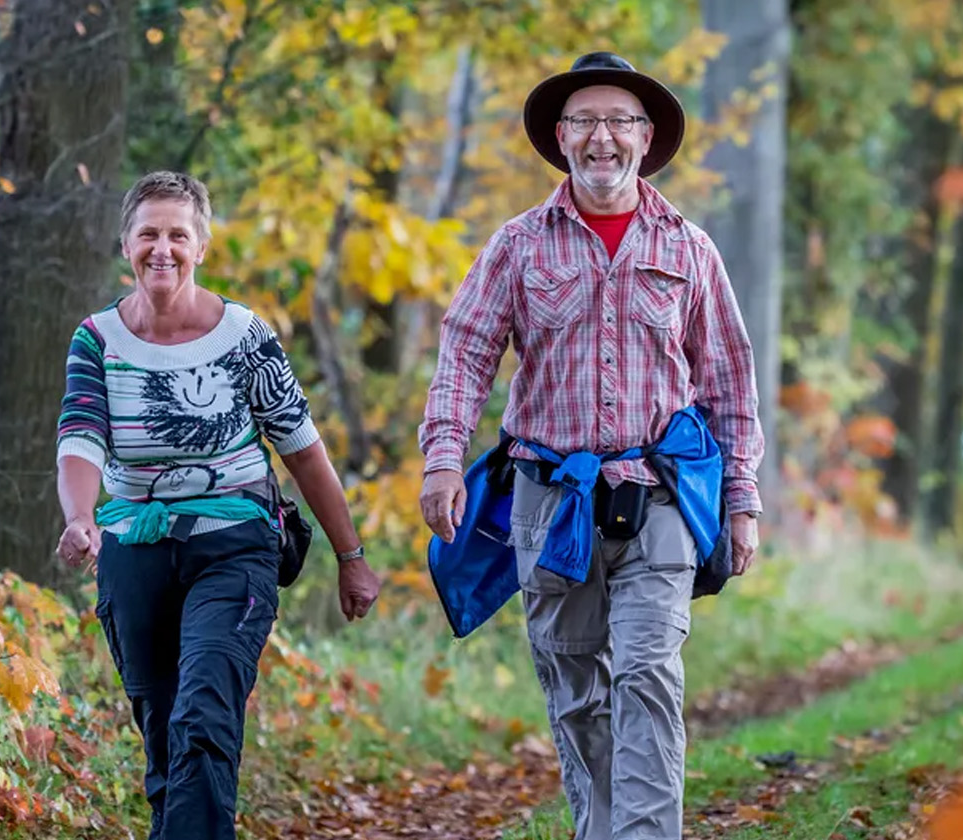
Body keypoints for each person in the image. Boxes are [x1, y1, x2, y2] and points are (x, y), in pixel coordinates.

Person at [418, 52, 766, 840]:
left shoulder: (688, 248)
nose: (600, 138)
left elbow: (730, 381)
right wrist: (443, 459)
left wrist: (741, 501)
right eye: (583, 121)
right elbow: (465, 352)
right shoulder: (516, 245)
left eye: (618, 122)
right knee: (577, 692)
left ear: (645, 139)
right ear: (560, 137)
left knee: (647, 676)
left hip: (660, 500)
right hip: (549, 502)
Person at [54, 170, 381, 840]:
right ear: (126, 245)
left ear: (201, 246)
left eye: (179, 234)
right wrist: (80, 519)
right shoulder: (96, 340)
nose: (163, 249)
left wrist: (351, 556)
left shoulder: (243, 335)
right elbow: (81, 438)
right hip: (135, 548)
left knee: (202, 716)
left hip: (234, 546)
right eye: (149, 234)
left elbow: (302, 449)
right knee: (162, 726)